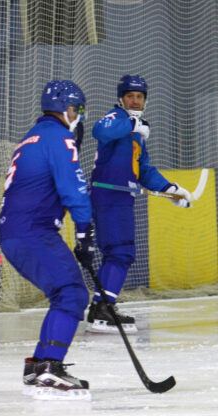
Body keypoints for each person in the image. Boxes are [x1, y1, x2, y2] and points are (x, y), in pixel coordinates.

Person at [0, 81, 93, 399]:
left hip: (17, 231)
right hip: (32, 230)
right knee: (71, 292)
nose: (79, 114)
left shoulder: (32, 137)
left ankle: (40, 365)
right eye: (76, 108)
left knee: (64, 292)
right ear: (65, 107)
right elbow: (73, 187)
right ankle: (50, 366)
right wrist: (84, 232)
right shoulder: (60, 136)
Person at [89, 75, 192, 334]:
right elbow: (99, 131)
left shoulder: (136, 135)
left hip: (122, 197)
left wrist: (171, 189)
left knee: (119, 253)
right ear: (120, 98)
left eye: (139, 97)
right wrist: (132, 123)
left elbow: (143, 168)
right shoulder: (117, 118)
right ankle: (102, 310)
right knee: (120, 253)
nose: (134, 101)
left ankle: (102, 306)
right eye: (129, 96)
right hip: (109, 196)